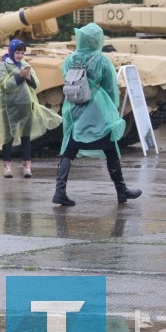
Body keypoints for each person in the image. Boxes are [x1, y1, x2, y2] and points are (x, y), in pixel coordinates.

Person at [53, 23, 141, 206]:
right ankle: (121, 189)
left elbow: (66, 78)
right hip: (97, 111)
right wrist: (112, 107)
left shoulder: (70, 59)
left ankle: (59, 191)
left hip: (74, 108)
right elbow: (110, 87)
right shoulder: (101, 61)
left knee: (69, 149)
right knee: (110, 149)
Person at [0, 39, 37, 178]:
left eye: (22, 53)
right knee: (8, 137)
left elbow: (35, 85)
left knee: (25, 137)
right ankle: (7, 168)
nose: (20, 56)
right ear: (11, 51)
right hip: (8, 107)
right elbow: (4, 85)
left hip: (25, 105)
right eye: (17, 52)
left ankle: (26, 167)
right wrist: (19, 76)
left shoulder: (25, 65)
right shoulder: (3, 66)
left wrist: (29, 77)